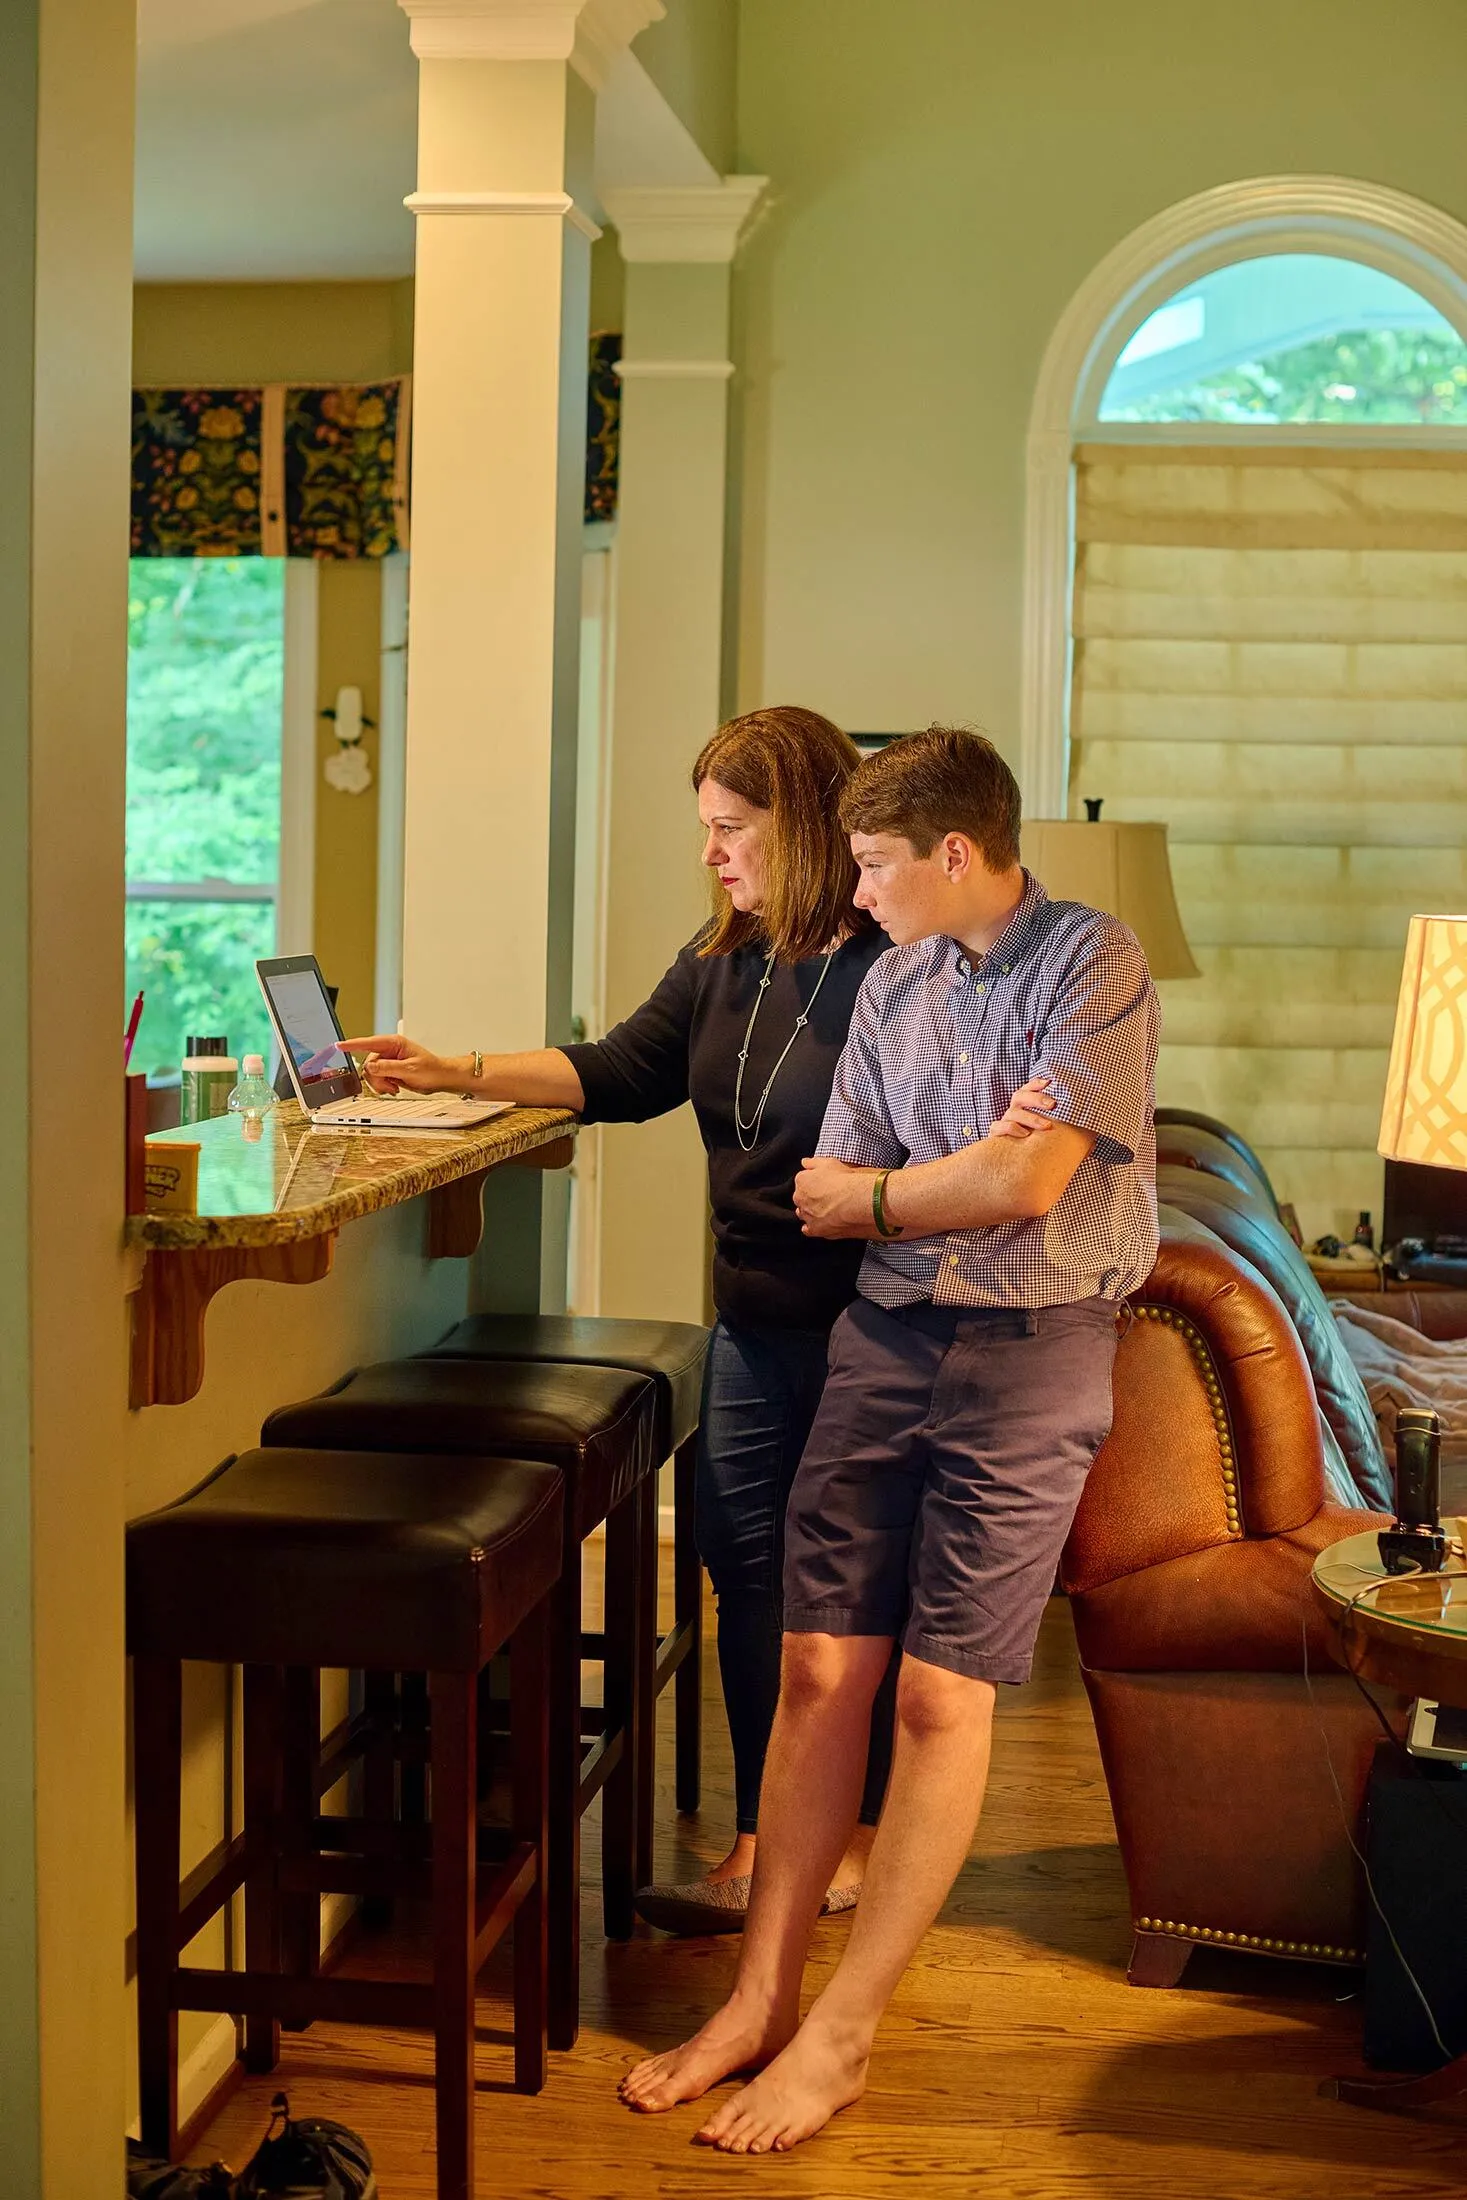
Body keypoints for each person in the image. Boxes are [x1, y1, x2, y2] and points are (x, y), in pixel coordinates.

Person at [619, 724, 1159, 2149]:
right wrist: (957, 1172)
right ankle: (756, 2002)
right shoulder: (896, 982)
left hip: (1034, 1350)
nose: (854, 893)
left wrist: (921, 1188)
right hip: (886, 1337)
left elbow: (1024, 1188)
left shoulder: (1092, 962)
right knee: (815, 1666)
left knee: (936, 1697)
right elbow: (830, 1182)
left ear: (954, 853)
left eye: (872, 865)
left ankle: (842, 2035)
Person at [341, 706, 903, 1929]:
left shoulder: (892, 968)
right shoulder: (722, 958)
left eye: (731, 828)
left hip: (873, 1331)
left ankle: (858, 1832)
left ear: (803, 824)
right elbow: (618, 1070)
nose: (711, 853)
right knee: (745, 1573)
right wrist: (455, 1069)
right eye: (706, 828)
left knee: (847, 1589)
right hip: (751, 1323)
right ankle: (766, 1835)